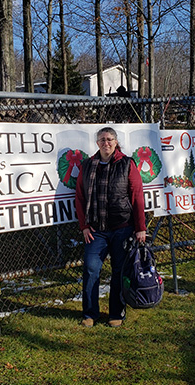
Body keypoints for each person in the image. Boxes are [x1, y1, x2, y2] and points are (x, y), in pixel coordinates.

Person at [74, 127, 146, 328]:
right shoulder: (87, 166)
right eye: (102, 140)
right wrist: (84, 226)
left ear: (116, 142)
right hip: (96, 230)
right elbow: (79, 197)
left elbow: (137, 196)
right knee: (90, 268)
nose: (106, 143)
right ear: (97, 143)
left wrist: (140, 227)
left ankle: (116, 313)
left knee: (119, 271)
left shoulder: (127, 164)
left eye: (110, 139)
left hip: (122, 227)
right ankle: (90, 314)